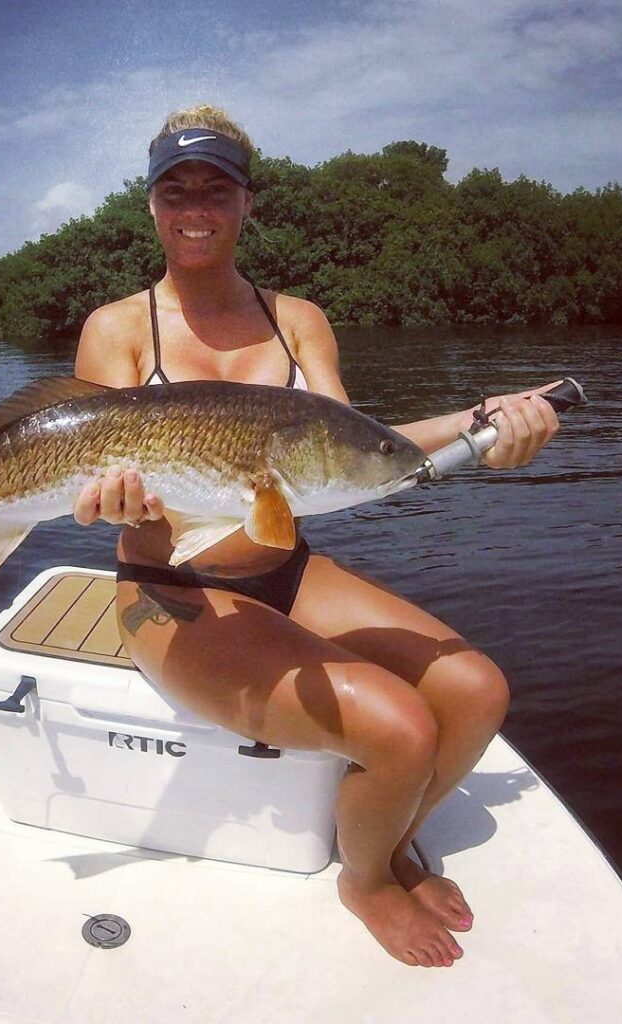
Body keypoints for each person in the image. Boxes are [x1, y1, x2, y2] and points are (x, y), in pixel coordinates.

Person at [73, 105, 559, 969]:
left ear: (246, 202)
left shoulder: (299, 320)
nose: (195, 205)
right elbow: (88, 468)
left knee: (477, 690)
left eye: (215, 188)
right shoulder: (117, 329)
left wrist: (481, 424)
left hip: (287, 568)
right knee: (401, 730)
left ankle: (390, 827)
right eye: (174, 189)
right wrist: (105, 501)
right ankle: (367, 877)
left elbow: (356, 450)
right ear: (150, 206)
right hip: (171, 593)